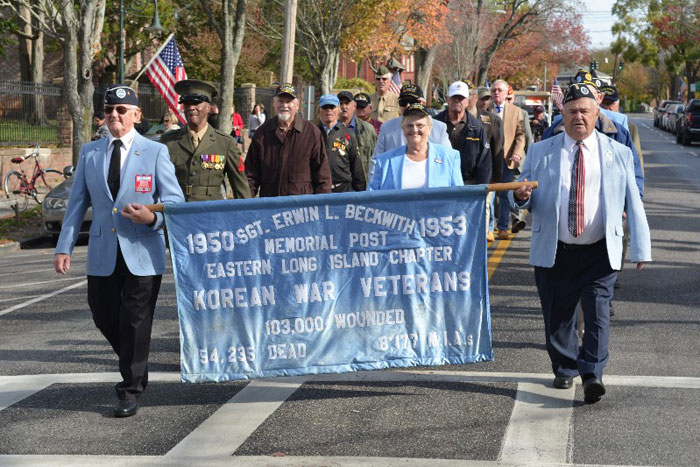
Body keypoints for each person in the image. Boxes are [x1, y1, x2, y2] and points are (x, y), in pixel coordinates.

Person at [509, 83, 651, 404]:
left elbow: (634, 201)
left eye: (585, 111)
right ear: (562, 114)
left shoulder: (619, 153)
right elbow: (521, 193)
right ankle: (565, 365)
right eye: (572, 112)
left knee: (598, 313)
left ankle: (592, 374)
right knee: (558, 316)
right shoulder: (542, 151)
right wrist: (520, 195)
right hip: (556, 249)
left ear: (596, 113)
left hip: (599, 250)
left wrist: (641, 247)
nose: (579, 118)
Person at [53, 84, 185, 418]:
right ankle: (134, 362)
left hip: (142, 250)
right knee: (103, 314)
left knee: (136, 320)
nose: (115, 115)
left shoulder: (154, 152)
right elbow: (77, 203)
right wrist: (64, 246)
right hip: (102, 249)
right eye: (110, 109)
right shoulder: (90, 152)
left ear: (136, 115)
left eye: (122, 110)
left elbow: (175, 202)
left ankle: (130, 388)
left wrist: (151, 217)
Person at [160, 79, 251, 202]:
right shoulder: (168, 141)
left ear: (208, 107)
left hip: (211, 213)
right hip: (178, 212)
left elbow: (240, 187)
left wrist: (244, 216)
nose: (191, 108)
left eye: (196, 103)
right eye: (187, 104)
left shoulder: (225, 143)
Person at [245, 83, 332, 196]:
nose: (284, 105)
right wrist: (244, 206)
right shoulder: (262, 134)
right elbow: (250, 176)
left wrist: (322, 206)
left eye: (289, 101)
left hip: (301, 208)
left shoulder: (311, 133)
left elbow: (322, 176)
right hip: (271, 207)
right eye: (280, 101)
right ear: (274, 103)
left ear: (297, 105)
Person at [369, 103, 463, 191]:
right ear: (403, 129)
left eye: (420, 125)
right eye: (409, 125)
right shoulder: (385, 161)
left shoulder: (450, 158)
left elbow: (460, 198)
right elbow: (371, 197)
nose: (414, 130)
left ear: (429, 129)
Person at [369, 83, 451, 180]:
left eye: (412, 101)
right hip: (396, 188)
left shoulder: (439, 128)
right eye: (403, 102)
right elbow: (376, 162)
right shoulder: (387, 128)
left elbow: (448, 161)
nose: (407, 105)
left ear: (423, 103)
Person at [434, 81, 491, 185]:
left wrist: (481, 189)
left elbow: (484, 162)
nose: (457, 100)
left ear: (467, 101)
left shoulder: (477, 127)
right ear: (447, 99)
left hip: (468, 183)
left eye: (461, 98)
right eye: (454, 97)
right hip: (440, 182)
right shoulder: (434, 124)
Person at [490, 79, 526, 239]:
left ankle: (503, 227)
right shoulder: (484, 110)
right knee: (488, 196)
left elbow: (521, 135)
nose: (496, 92)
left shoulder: (516, 111)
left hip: (507, 160)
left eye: (499, 90)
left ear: (506, 94)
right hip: (488, 161)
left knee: (504, 196)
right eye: (494, 90)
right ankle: (488, 227)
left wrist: (517, 153)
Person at [470, 86, 504, 243]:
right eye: (481, 98)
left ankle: (486, 233)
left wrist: (497, 177)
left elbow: (497, 151)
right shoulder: (454, 118)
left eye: (486, 98)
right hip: (464, 173)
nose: (484, 101)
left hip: (486, 172)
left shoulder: (493, 120)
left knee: (485, 206)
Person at [317, 93, 366, 192]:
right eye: (325, 107)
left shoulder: (348, 134)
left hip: (343, 190)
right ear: (319, 111)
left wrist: (360, 194)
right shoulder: (312, 133)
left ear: (338, 110)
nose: (329, 110)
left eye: (332, 107)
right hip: (319, 191)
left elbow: (357, 168)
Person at [338, 90, 377, 181]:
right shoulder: (330, 129)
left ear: (354, 106)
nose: (344, 107)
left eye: (347, 103)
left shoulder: (368, 129)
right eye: (340, 103)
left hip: (362, 182)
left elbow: (376, 158)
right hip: (339, 184)